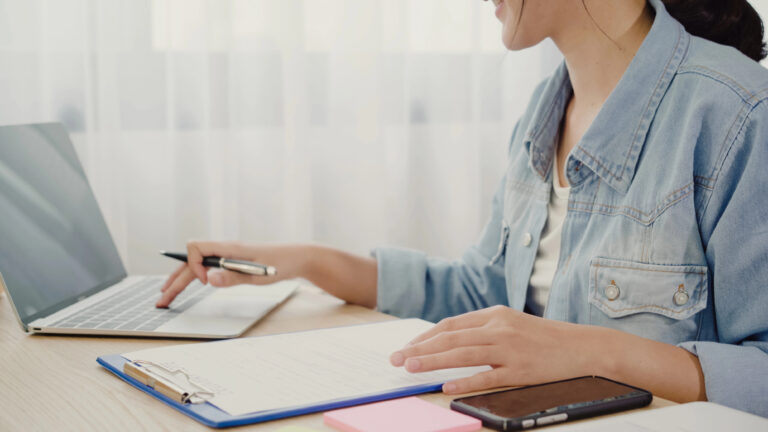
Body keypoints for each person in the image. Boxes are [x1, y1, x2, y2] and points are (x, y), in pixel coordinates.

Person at [158, 0, 768, 417]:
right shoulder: (543, 112)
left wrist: (586, 351)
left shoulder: (738, 115)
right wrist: (305, 261)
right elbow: (483, 294)